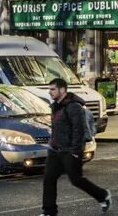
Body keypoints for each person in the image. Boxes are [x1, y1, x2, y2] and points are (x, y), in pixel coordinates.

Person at [42, 77, 111, 215]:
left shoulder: (74, 107)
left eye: (53, 89)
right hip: (55, 150)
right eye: (49, 89)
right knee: (48, 179)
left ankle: (102, 195)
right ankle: (49, 211)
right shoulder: (56, 106)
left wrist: (75, 152)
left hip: (69, 151)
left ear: (62, 90)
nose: (50, 92)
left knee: (76, 180)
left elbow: (78, 130)